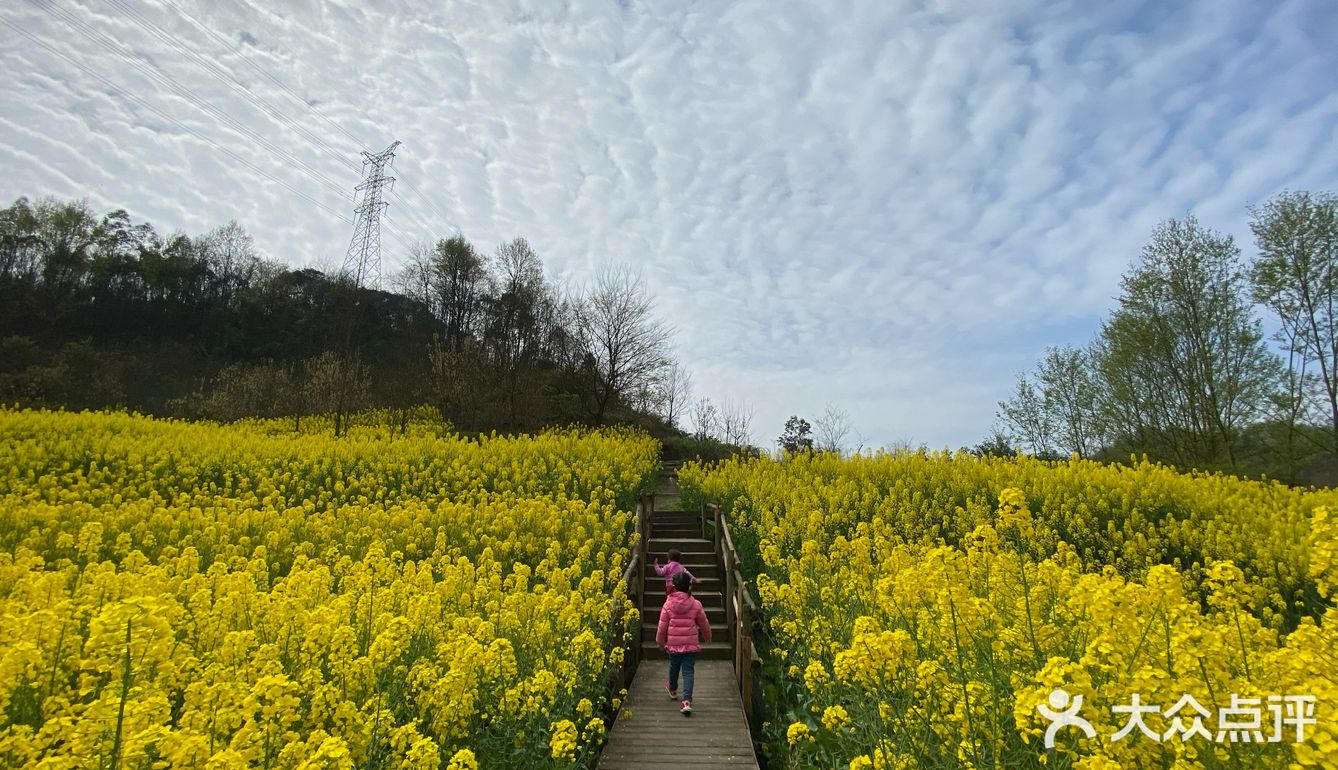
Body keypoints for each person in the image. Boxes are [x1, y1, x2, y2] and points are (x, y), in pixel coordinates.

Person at [656, 570, 712, 715]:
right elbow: (704, 623)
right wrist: (707, 635)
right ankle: (686, 701)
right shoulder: (695, 604)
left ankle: (673, 689)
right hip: (690, 643)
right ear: (689, 586)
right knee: (688, 671)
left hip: (674, 644)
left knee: (674, 667)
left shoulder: (668, 604)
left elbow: (662, 625)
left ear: (674, 585)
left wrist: (660, 641)